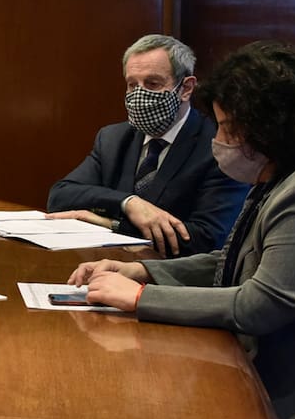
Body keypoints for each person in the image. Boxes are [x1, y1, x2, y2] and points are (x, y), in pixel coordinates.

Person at [68, 41, 295, 419]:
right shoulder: (274, 182)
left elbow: (261, 304)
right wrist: (142, 269)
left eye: (226, 127)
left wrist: (140, 298)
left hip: (290, 405)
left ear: (265, 129)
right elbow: (230, 260)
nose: (217, 139)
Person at [47, 34, 247, 256]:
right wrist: (128, 203)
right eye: (132, 85)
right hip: (107, 267)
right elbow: (61, 197)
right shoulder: (113, 138)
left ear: (186, 88)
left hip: (173, 280)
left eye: (152, 84)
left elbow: (207, 238)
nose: (139, 95)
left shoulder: (217, 145)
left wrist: (110, 224)